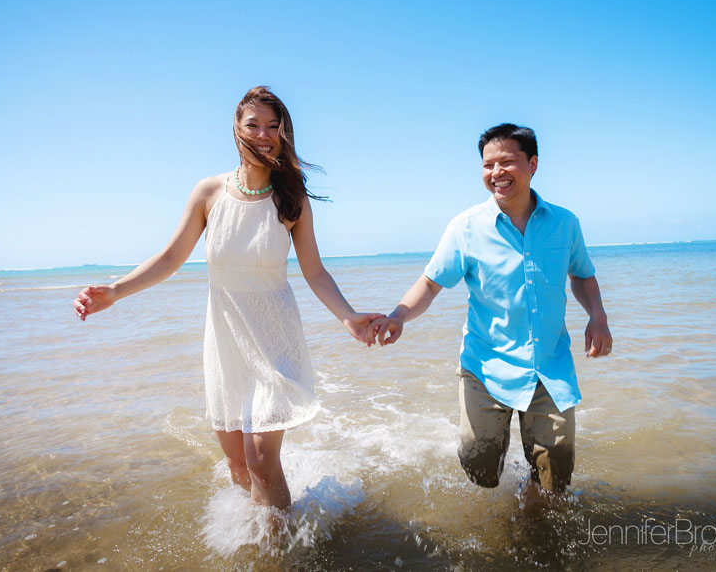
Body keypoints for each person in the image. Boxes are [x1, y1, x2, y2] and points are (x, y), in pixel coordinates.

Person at [73, 86, 382, 510]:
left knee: (261, 461)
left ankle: (280, 544)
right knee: (238, 465)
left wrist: (348, 317)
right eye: (253, 125)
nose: (263, 135)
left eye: (273, 126)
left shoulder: (291, 198)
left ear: (284, 134)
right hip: (225, 341)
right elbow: (171, 257)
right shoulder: (209, 192)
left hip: (274, 340)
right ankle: (259, 530)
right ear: (236, 129)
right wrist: (115, 291)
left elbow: (315, 271)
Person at [372, 123, 612, 496]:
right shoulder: (465, 228)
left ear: (533, 164)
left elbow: (582, 275)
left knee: (555, 479)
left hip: (549, 367)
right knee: (480, 468)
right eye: (488, 165)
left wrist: (597, 316)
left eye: (507, 162)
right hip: (486, 368)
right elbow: (431, 283)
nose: (496, 172)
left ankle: (532, 502)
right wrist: (398, 316)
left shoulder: (565, 223)